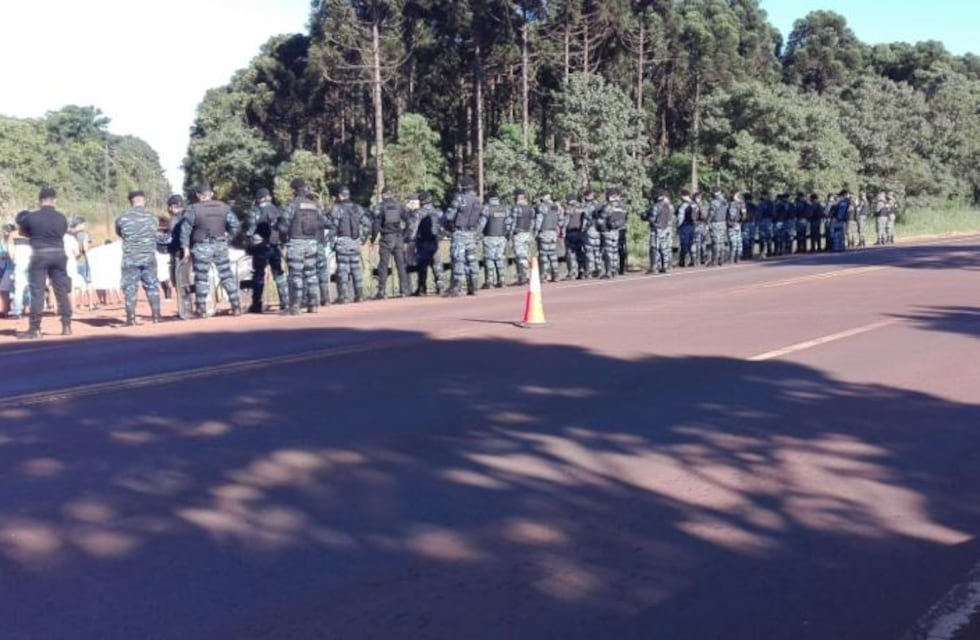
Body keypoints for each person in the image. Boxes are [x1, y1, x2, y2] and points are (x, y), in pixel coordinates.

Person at [179, 182, 242, 318]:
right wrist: (227, 239)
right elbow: (236, 225)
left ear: (198, 195)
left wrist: (185, 249)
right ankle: (236, 305)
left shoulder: (193, 209)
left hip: (202, 246)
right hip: (220, 245)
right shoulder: (223, 207)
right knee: (226, 274)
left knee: (202, 278)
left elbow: (185, 231)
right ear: (211, 194)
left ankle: (201, 308)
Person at [17, 187, 72, 339]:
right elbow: (63, 232)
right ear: (54, 200)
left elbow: (23, 232)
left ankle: (35, 328)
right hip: (59, 254)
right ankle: (66, 325)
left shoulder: (31, 217)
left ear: (40, 201)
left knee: (38, 292)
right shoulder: (61, 217)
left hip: (40, 254)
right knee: (61, 291)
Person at [279, 178, 331, 313]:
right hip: (312, 242)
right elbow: (324, 222)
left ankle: (295, 306)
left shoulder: (293, 205)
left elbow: (283, 225)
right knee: (311, 273)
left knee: (296, 275)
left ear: (294, 190)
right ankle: (313, 304)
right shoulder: (314, 205)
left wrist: (283, 239)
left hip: (296, 242)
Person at [115, 190, 162, 325]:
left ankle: (131, 319)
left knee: (130, 288)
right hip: (149, 257)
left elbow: (120, 233)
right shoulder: (153, 218)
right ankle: (156, 317)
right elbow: (155, 232)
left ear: (131, 201)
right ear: (144, 200)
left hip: (130, 257)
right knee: (152, 286)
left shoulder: (122, 218)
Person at [245, 187, 288, 313]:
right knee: (278, 273)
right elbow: (284, 228)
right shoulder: (277, 210)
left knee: (258, 274)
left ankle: (257, 304)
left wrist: (249, 243)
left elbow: (250, 231)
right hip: (275, 245)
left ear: (258, 199)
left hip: (260, 247)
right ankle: (284, 301)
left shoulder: (255, 211)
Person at [329, 185, 372, 303]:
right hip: (355, 241)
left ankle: (343, 296)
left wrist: (332, 244)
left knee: (342, 269)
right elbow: (368, 225)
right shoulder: (357, 208)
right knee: (356, 268)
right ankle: (359, 295)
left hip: (343, 241)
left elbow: (333, 228)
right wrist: (362, 239)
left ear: (339, 196)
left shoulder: (337, 209)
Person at [444, 177, 483, 296]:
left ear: (463, 187)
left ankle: (456, 286)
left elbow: (449, 216)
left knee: (458, 259)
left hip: (460, 232)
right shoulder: (477, 200)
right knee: (471, 258)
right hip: (471, 233)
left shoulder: (460, 199)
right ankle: (473, 285)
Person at [371, 185, 412, 299]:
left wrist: (372, 239)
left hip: (386, 239)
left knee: (383, 266)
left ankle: (382, 291)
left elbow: (376, 225)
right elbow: (410, 222)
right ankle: (404, 290)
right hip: (398, 238)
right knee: (401, 265)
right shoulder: (400, 206)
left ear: (383, 195)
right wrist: (405, 235)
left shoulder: (380, 207)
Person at [412, 191, 445, 296]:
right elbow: (444, 225)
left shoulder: (419, 213)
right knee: (437, 265)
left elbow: (413, 228)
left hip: (423, 242)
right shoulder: (438, 212)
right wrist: (441, 236)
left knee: (422, 266)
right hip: (435, 242)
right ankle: (440, 287)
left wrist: (410, 238)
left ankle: (422, 288)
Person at [481, 190, 510, 288]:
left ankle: (489, 281)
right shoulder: (504, 208)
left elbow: (482, 224)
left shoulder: (487, 208)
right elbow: (508, 224)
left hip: (489, 237)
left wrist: (476, 234)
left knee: (489, 259)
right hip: (502, 237)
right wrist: (507, 236)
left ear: (488, 198)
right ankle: (502, 280)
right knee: (499, 258)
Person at [596, 187, 627, 278]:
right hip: (617, 231)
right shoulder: (622, 207)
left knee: (608, 251)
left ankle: (608, 272)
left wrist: (601, 229)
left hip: (607, 231)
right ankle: (614, 270)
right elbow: (625, 218)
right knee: (614, 251)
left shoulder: (608, 207)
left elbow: (601, 220)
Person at [7, 211, 32, 319]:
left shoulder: (13, 234)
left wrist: (14, 259)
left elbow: (10, 250)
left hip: (20, 263)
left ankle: (17, 312)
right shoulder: (34, 233)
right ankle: (32, 309)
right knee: (33, 287)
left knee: (19, 288)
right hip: (33, 262)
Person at [642, 189, 674, 274]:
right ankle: (665, 265)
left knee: (654, 247)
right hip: (665, 228)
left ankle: (653, 267)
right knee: (663, 247)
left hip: (657, 229)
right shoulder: (669, 206)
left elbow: (652, 219)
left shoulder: (656, 206)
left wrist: (645, 216)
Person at [533, 190, 562, 283]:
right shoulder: (555, 207)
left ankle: (543, 275)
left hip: (545, 232)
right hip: (553, 232)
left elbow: (539, 220)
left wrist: (536, 232)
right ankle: (556, 274)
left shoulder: (542, 206)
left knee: (543, 255)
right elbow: (560, 220)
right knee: (553, 254)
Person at [509, 189, 535, 285]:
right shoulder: (530, 208)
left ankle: (523, 277)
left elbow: (513, 222)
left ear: (518, 196)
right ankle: (526, 276)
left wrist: (510, 235)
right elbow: (533, 222)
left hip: (519, 234)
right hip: (527, 234)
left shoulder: (516, 208)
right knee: (526, 255)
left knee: (520, 255)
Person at [69, 216, 94, 310]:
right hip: (83, 260)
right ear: (80, 224)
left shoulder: (69, 234)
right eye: (83, 224)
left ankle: (76, 305)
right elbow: (85, 248)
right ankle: (90, 304)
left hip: (72, 262)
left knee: (74, 285)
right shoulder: (84, 234)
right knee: (88, 282)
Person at [562, 193, 588, 279]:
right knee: (580, 252)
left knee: (570, 253)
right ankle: (582, 270)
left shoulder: (569, 208)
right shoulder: (581, 207)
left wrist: (563, 230)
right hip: (580, 232)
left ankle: (572, 272)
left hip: (571, 232)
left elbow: (565, 221)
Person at [708, 188, 728, 266]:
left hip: (715, 223)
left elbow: (711, 213)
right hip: (723, 223)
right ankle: (721, 259)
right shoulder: (725, 201)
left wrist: (708, 221)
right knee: (721, 242)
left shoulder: (714, 202)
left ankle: (714, 260)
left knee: (715, 242)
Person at [726, 191, 744, 264]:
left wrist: (730, 222)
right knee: (738, 241)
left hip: (732, 224)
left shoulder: (732, 204)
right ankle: (738, 256)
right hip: (738, 224)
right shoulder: (741, 204)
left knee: (733, 241)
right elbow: (743, 214)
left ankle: (732, 258)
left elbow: (731, 214)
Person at [756, 191, 774, 259]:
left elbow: (759, 213)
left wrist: (758, 221)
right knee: (767, 237)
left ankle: (763, 252)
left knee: (763, 237)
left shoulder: (762, 204)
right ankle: (768, 252)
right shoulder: (770, 203)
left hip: (764, 221)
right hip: (768, 221)